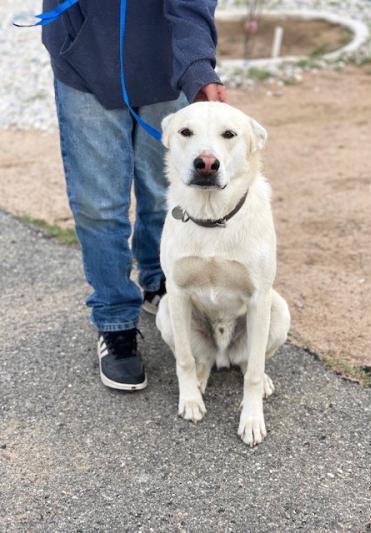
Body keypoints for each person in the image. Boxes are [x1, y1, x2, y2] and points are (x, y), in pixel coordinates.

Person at [42, 0, 227, 391]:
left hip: (165, 64)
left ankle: (157, 281)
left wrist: (196, 65)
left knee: (164, 193)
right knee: (99, 204)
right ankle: (114, 321)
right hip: (84, 59)